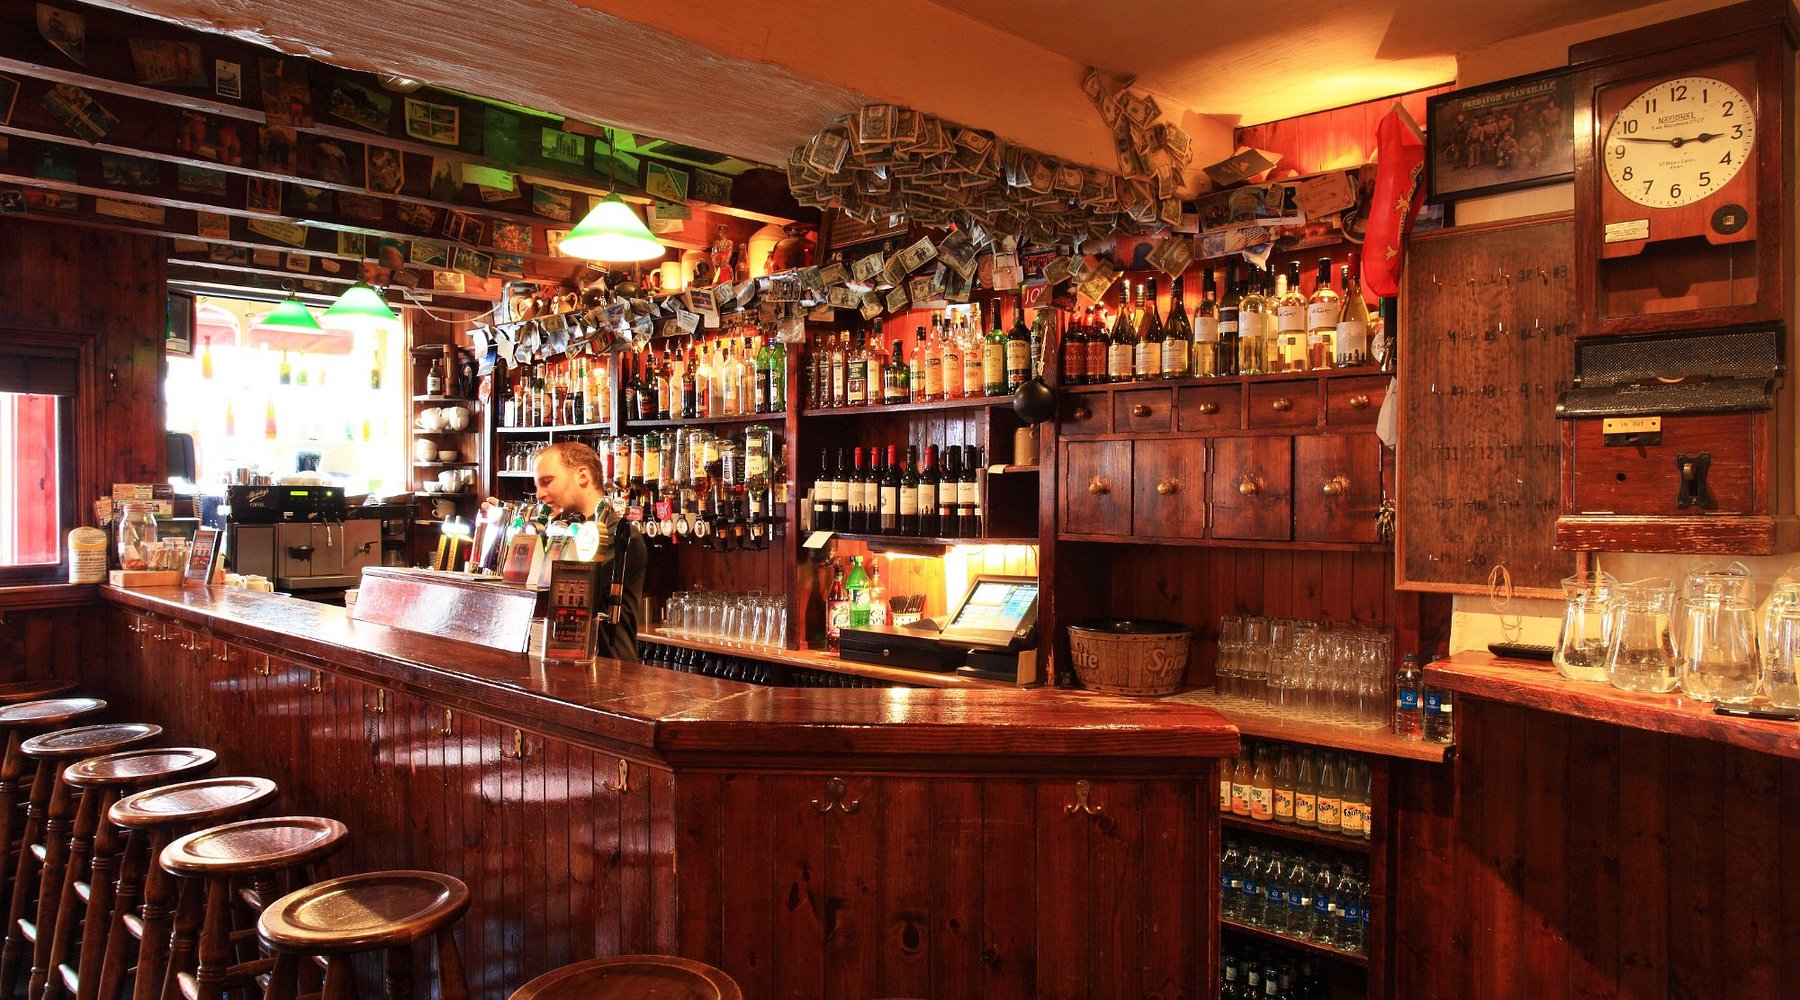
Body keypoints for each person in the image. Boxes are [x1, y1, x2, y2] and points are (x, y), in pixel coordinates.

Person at [534, 441, 645, 662]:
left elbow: (559, 590)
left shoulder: (619, 533)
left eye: (547, 482)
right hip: (566, 662)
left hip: (607, 668)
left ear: (582, 475)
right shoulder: (562, 532)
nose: (539, 494)